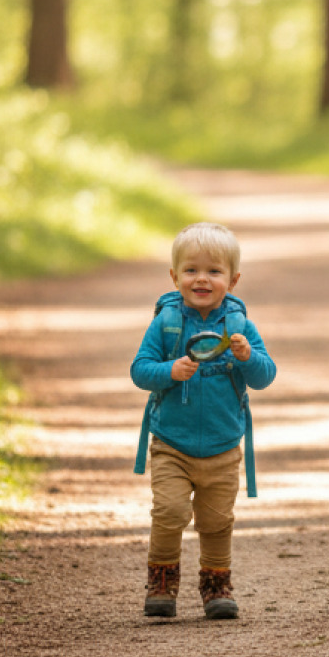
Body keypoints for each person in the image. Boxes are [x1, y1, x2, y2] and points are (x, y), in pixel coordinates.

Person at [130, 222, 276, 620]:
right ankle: (162, 582)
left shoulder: (239, 326)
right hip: (171, 443)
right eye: (191, 270)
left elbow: (265, 376)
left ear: (234, 279)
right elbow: (140, 370)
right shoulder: (166, 322)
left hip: (223, 446)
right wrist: (169, 371)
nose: (202, 279)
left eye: (214, 271)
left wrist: (248, 358)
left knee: (216, 521)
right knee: (169, 512)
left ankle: (216, 585)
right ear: (174, 276)